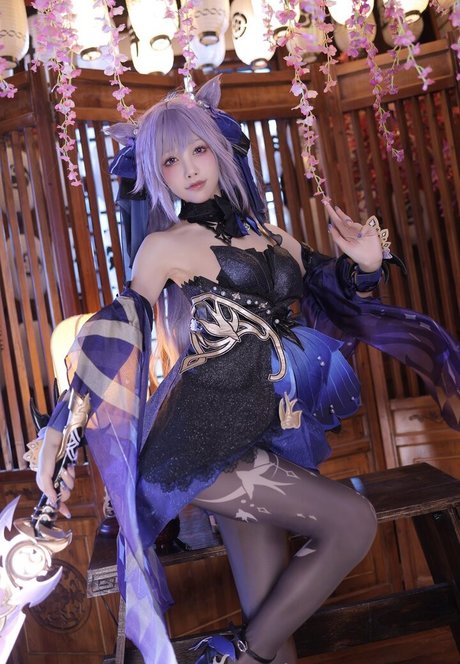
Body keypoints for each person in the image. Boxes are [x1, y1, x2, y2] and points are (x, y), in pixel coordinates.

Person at [35, 76, 460, 664]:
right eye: (170, 160)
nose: (188, 168)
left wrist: (364, 264)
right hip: (199, 448)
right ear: (157, 175)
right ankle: (235, 656)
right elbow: (116, 335)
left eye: (198, 149)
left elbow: (332, 290)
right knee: (354, 522)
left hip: (264, 435)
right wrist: (64, 427)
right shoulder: (165, 247)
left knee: (276, 632)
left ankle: (244, 655)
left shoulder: (272, 235)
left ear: (220, 148)